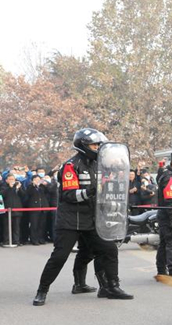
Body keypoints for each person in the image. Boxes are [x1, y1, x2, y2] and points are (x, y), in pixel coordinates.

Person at [32, 128, 134, 306]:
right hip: (70, 220)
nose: (98, 148)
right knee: (59, 256)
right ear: (84, 145)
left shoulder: (99, 165)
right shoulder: (70, 166)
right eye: (95, 145)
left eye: (99, 145)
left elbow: (105, 190)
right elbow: (69, 195)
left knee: (109, 249)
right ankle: (42, 290)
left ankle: (111, 287)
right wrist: (91, 191)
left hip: (91, 219)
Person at [24, 174, 49, 245]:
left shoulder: (42, 187)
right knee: (34, 225)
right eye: (36, 180)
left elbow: (47, 191)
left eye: (39, 179)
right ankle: (34, 239)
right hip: (34, 208)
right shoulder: (30, 187)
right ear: (32, 180)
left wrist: (43, 184)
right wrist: (34, 185)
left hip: (43, 208)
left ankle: (41, 238)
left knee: (42, 225)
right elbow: (28, 194)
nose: (38, 181)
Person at [0, 174, 24, 245]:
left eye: (13, 179)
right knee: (6, 227)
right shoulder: (4, 187)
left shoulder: (17, 187)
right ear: (6, 180)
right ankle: (6, 241)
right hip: (7, 210)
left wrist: (19, 188)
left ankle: (16, 241)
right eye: (10, 179)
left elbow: (23, 195)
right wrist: (9, 188)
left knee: (16, 227)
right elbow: (1, 195)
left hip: (17, 209)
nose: (11, 181)